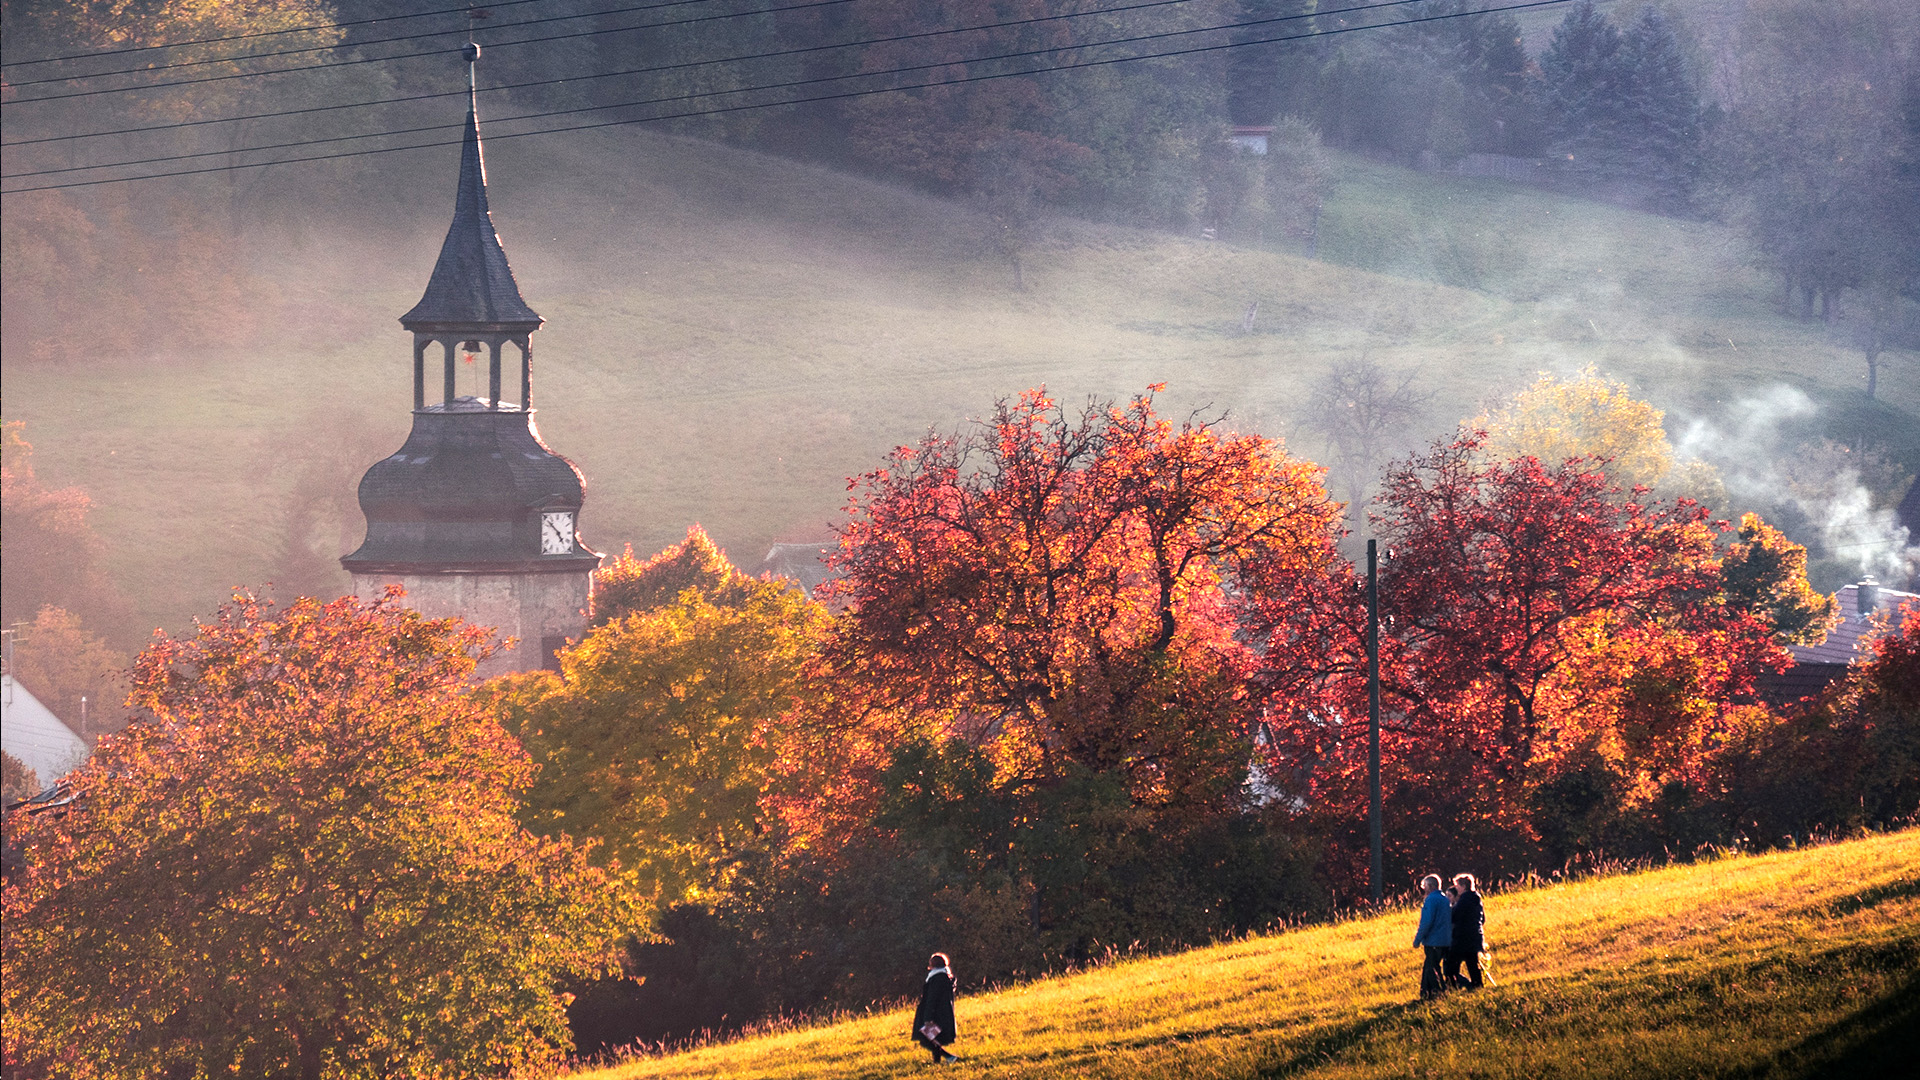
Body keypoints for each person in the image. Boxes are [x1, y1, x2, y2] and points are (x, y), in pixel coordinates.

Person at [912, 952, 960, 1064]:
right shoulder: (946, 976)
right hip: (944, 1013)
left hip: (934, 1013)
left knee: (926, 1038)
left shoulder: (935, 978)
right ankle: (938, 1062)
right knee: (934, 1038)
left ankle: (949, 1057)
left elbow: (931, 999)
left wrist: (928, 1017)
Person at [1411, 873, 1452, 999]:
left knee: (1431, 968)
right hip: (1445, 940)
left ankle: (1438, 993)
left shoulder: (1431, 900)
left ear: (1430, 886)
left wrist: (1417, 939)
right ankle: (1426, 994)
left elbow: (1426, 922)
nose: (1423, 889)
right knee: (1430, 966)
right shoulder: (1445, 899)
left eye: (1425, 886)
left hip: (1433, 941)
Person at [1444, 873, 1485, 989]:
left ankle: (1452, 987)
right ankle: (1477, 985)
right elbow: (1482, 919)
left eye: (1457, 885)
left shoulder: (1464, 900)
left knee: (1451, 965)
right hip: (1475, 936)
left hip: (1462, 938)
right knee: (1472, 964)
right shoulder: (1476, 899)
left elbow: (1454, 915)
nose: (1456, 888)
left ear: (1463, 886)